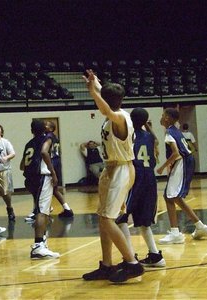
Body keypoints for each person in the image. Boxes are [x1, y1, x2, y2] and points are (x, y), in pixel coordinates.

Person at [81, 70, 144, 283]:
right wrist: (96, 84)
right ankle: (107, 265)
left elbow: (106, 109)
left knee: (109, 219)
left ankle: (132, 264)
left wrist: (93, 92)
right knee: (102, 218)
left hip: (122, 169)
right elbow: (106, 101)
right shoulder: (115, 110)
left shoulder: (119, 117)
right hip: (111, 169)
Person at [116, 108, 166, 267]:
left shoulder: (129, 135)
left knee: (120, 217)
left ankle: (130, 257)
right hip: (150, 179)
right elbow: (155, 140)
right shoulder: (150, 137)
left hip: (134, 177)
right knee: (144, 222)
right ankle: (155, 255)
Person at [157, 108, 207, 244]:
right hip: (186, 161)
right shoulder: (176, 130)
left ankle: (175, 233)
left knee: (169, 196)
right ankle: (200, 227)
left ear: (168, 118)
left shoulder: (170, 132)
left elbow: (176, 153)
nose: (161, 117)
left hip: (183, 162)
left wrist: (163, 167)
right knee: (175, 197)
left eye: (163, 115)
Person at [20, 119, 60, 259]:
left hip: (30, 179)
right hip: (42, 177)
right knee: (42, 212)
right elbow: (44, 152)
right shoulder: (46, 139)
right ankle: (38, 246)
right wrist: (53, 173)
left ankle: (41, 242)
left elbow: (21, 166)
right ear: (45, 129)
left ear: (31, 130)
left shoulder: (28, 144)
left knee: (40, 210)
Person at [45, 120, 73, 218]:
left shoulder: (48, 137)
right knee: (54, 189)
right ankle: (67, 208)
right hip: (57, 162)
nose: (44, 125)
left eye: (47, 125)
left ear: (51, 128)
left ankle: (45, 209)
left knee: (46, 188)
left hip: (52, 163)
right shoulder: (55, 137)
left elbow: (45, 152)